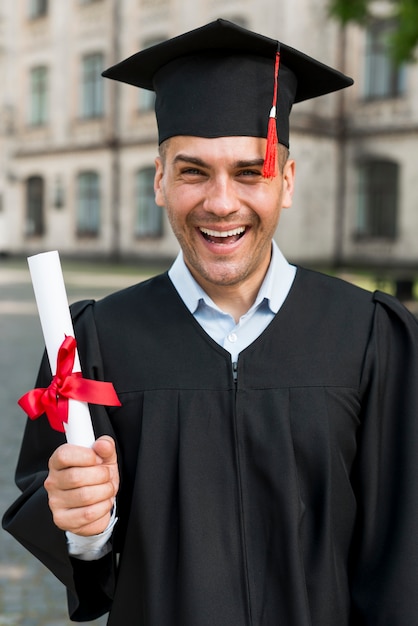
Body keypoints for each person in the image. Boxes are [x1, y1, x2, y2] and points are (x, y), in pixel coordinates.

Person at [3, 18, 418, 626]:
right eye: (193, 170)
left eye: (250, 171)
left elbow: (401, 563)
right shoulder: (94, 345)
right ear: (160, 181)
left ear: (287, 181)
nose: (221, 202)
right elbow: (91, 562)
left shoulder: (368, 338)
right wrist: (83, 525)